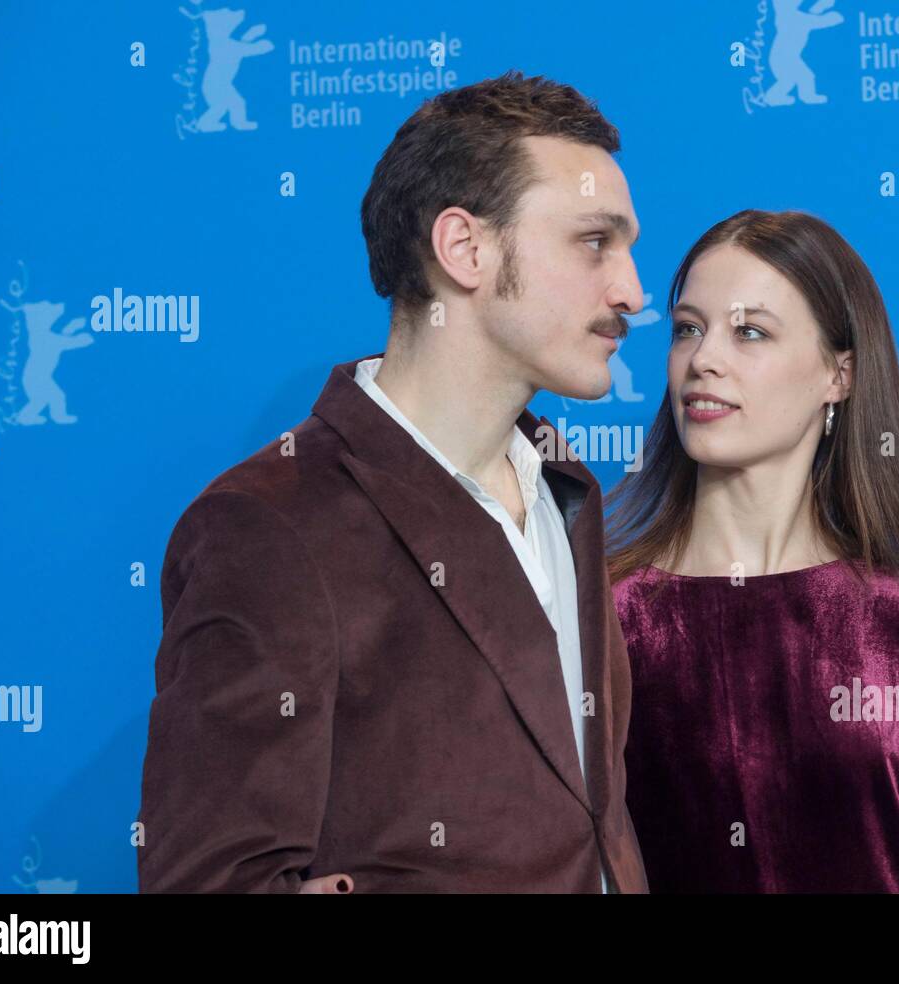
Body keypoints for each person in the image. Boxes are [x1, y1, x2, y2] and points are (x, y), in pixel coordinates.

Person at [137, 71, 650, 893]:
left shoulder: (568, 491)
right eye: (595, 241)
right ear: (465, 249)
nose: (632, 290)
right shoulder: (270, 525)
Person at [606, 209, 899, 893]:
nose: (704, 358)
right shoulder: (605, 620)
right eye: (687, 328)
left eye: (750, 331)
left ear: (840, 374)